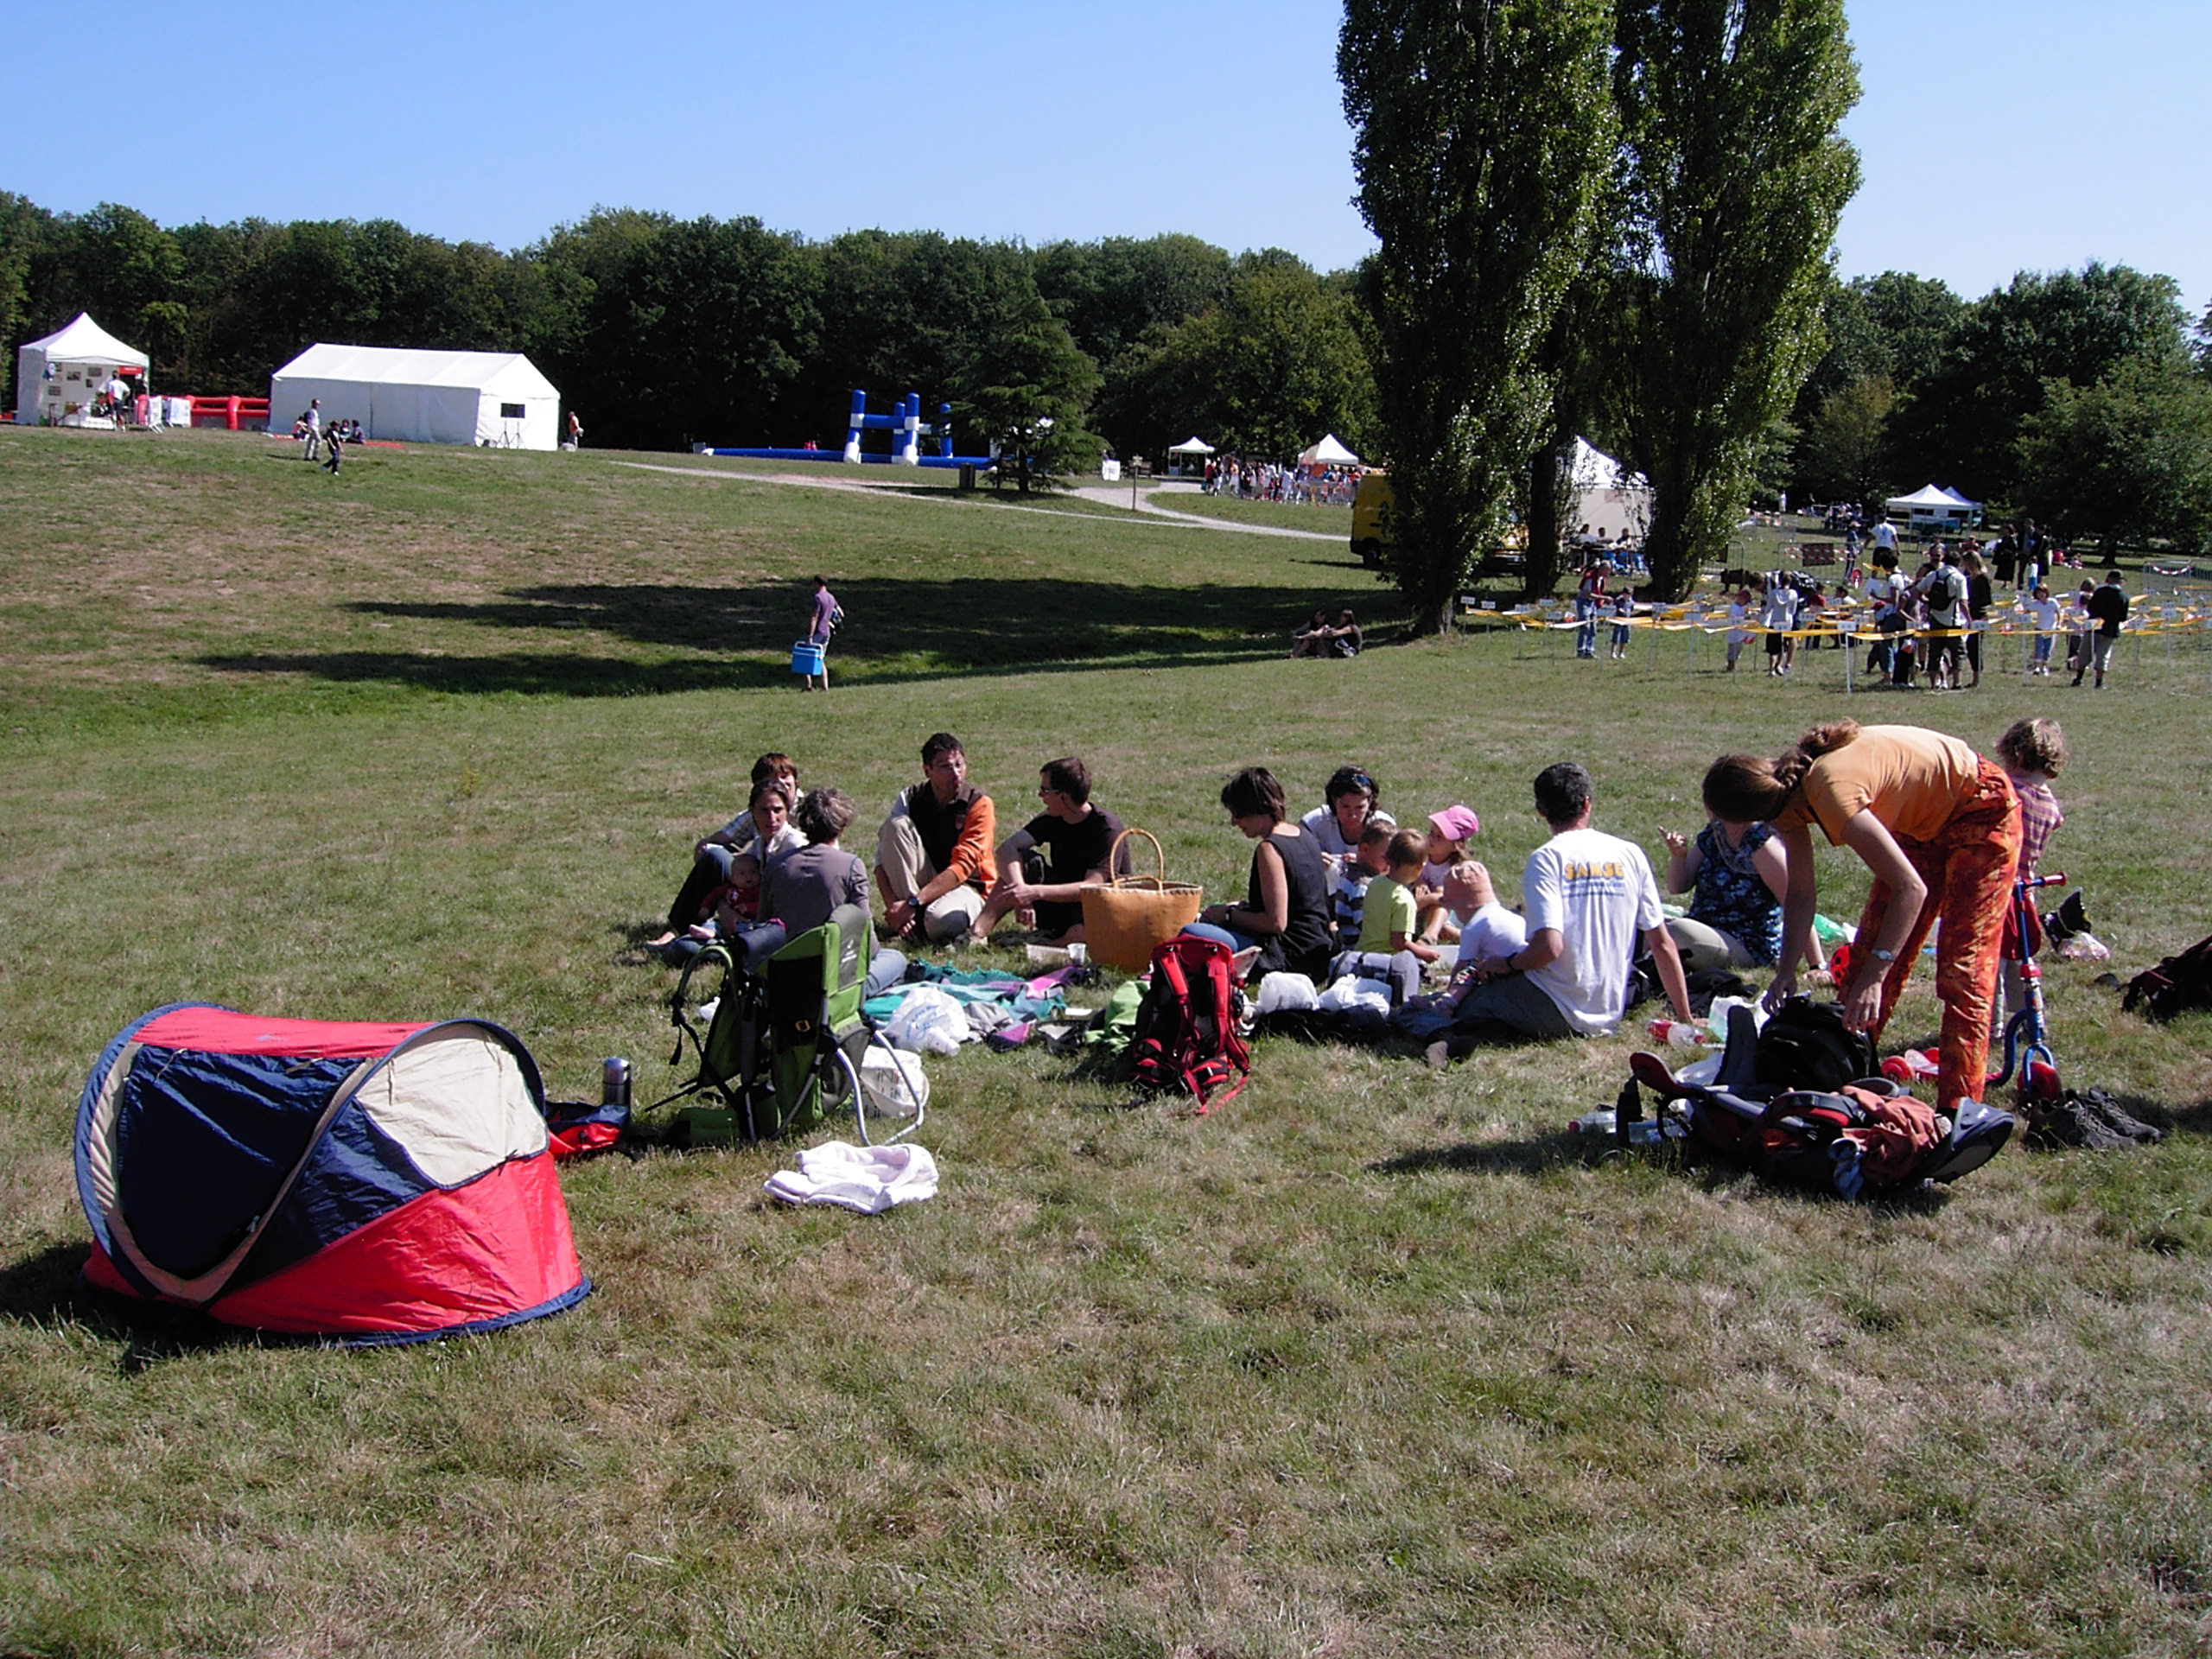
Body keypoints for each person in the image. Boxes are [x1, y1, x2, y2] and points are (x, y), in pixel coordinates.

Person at [1704, 721, 2021, 1117]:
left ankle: (1960, 1112)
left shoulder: (1830, 791)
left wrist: (1877, 977)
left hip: (1980, 807)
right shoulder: (1784, 799)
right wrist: (1787, 970)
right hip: (1922, 824)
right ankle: (1849, 1087)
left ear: (1749, 815)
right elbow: (1800, 893)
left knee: (1962, 971)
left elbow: (1911, 890)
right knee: (1860, 966)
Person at [1422, 762, 1691, 1065]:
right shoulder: (1629, 853)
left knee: (1463, 1002)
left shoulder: (1547, 859)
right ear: (1587, 802)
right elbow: (1662, 943)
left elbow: (1549, 948)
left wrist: (1507, 964)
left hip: (1557, 1003)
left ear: (1541, 811)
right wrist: (1685, 1017)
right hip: (1609, 1007)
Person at [1183, 766, 1334, 984]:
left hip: (1289, 954)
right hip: (1317, 947)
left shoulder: (1270, 850)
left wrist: (1227, 915)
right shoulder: (1303, 835)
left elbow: (1276, 923)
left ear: (1256, 809)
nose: (1234, 822)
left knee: (1191, 933)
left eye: (1238, 814)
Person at [646, 753, 802, 950]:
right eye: (763, 810)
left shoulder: (798, 838)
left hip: (771, 924)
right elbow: (722, 841)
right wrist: (725, 905)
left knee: (684, 949)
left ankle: (705, 941)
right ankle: (682, 930)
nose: (771, 817)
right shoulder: (760, 841)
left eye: (777, 810)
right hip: (751, 904)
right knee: (715, 855)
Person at [971, 756, 1128, 943]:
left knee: (1082, 934)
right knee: (1020, 864)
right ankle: (974, 935)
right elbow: (1007, 849)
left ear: (1064, 796)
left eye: (1045, 790)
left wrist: (1034, 892)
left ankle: (1047, 944)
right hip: (1058, 902)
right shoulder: (1053, 818)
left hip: (1096, 910)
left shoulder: (1106, 829)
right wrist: (1022, 891)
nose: (1040, 795)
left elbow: (1091, 887)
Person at [1658, 809, 1822, 975]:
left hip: (1747, 944)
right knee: (1650, 924)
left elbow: (1796, 904)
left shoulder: (1761, 843)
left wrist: (1816, 965)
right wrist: (1679, 856)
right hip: (1704, 929)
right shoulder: (1714, 834)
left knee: (1677, 930)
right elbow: (1677, 886)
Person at [875, 733, 995, 944]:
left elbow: (962, 867)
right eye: (946, 767)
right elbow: (881, 858)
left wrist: (912, 904)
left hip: (968, 886)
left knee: (942, 922)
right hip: (926, 881)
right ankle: (912, 922)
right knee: (894, 827)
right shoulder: (910, 798)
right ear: (927, 770)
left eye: (959, 765)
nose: (956, 773)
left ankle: (918, 923)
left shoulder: (978, 804)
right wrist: (893, 906)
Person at [1993, 717, 2067, 1027]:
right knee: (2023, 959)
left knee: (1992, 964)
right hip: (2027, 892)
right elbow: (2058, 821)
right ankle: (2034, 1019)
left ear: (2017, 755)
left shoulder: (2011, 792)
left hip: (1999, 890)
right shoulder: (2049, 803)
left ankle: (1990, 1025)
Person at [762, 787, 872, 939]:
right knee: (894, 957)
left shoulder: (776, 864)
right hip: (831, 958)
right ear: (841, 829)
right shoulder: (851, 865)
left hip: (783, 957)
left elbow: (762, 923)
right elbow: (866, 935)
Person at [1300, 766, 1395, 862]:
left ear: (1370, 803)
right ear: (1334, 801)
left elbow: (1399, 866)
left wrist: (1364, 862)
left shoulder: (1384, 826)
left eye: (1360, 807)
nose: (1352, 815)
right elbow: (1292, 853)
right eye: (1345, 806)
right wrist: (1313, 859)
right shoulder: (1317, 820)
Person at [1414, 804, 1479, 944]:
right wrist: (1418, 879)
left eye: (1440, 837)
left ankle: (1472, 940)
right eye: (1431, 832)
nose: (1431, 838)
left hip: (1450, 914)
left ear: (1457, 846)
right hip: (1419, 909)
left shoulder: (1457, 871)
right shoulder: (1419, 855)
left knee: (1445, 928)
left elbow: (1449, 900)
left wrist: (1432, 897)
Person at [1330, 820, 1393, 944]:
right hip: (1359, 946)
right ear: (1364, 849)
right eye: (1386, 857)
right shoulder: (1363, 884)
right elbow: (1364, 923)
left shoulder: (1351, 873)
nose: (1391, 862)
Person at [2078, 568, 2127, 688]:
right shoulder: (2123, 597)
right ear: (2121, 582)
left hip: (2093, 626)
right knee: (2103, 655)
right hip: (2110, 630)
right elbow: (2123, 617)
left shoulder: (2100, 592)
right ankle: (2098, 682)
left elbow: (2090, 609)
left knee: (2085, 653)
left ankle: (2078, 678)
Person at [801, 575, 837, 692]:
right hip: (826, 632)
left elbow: (814, 617)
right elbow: (838, 612)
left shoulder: (817, 598)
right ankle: (824, 686)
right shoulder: (831, 597)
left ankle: (808, 685)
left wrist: (810, 635)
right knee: (820, 658)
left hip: (817, 631)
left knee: (805, 655)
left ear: (817, 583)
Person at [1760, 574, 1800, 677]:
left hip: (1775, 621)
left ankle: (1771, 669)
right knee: (1784, 645)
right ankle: (1780, 665)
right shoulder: (1794, 594)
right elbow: (1793, 610)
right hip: (1787, 622)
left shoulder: (1774, 593)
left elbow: (1768, 608)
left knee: (1773, 648)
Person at [2024, 583, 2059, 676]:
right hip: (2039, 628)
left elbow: (2058, 613)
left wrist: (2058, 624)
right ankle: (2037, 667)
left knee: (2047, 649)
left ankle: (2044, 666)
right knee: (2038, 648)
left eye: (2043, 592)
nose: (2041, 595)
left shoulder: (2053, 602)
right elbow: (2027, 611)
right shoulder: (2036, 604)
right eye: (2039, 593)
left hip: (2051, 629)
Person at [1575, 560, 1606, 658]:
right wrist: (1603, 598)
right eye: (1607, 570)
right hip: (1584, 602)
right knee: (1585, 626)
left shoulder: (1601, 578)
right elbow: (1587, 593)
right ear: (1601, 569)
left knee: (1593, 628)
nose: (1608, 573)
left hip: (1593, 603)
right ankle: (1581, 650)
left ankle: (1589, 650)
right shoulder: (1590, 577)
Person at [1723, 585, 1753, 672]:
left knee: (1738, 649)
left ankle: (1733, 664)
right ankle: (1730, 666)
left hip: (1740, 633)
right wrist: (1745, 619)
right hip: (1734, 632)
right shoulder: (1734, 607)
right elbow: (1736, 618)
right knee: (1733, 650)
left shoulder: (1740, 608)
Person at [1608, 588, 1634, 659]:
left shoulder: (1631, 602)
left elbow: (1632, 610)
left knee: (1625, 637)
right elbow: (1615, 608)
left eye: (1629, 595)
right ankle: (1613, 652)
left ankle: (1621, 652)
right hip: (1618, 621)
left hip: (1627, 621)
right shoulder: (1618, 601)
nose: (1627, 596)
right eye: (1626, 594)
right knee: (1616, 636)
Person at [302, 397, 322, 462]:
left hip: (314, 427)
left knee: (311, 442)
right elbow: (310, 420)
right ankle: (315, 455)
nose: (318, 405)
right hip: (313, 428)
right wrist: (309, 428)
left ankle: (307, 456)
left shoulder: (314, 411)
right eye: (317, 404)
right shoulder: (311, 411)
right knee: (319, 441)